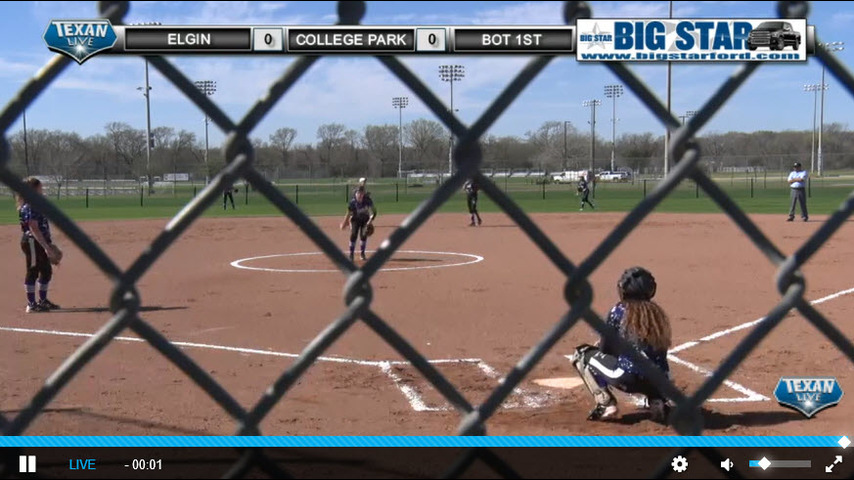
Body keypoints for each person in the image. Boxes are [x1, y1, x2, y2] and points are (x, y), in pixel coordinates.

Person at [570, 267, 672, 422]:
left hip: (628, 378)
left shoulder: (619, 310)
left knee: (582, 354)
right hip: (660, 381)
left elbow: (606, 348)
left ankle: (606, 404)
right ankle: (657, 400)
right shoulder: (657, 313)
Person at [16, 177, 61, 313]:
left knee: (46, 271)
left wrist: (48, 243)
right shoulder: (31, 205)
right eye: (40, 187)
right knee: (33, 271)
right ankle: (31, 304)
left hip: (40, 242)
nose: (42, 190)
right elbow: (33, 227)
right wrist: (46, 247)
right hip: (32, 242)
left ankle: (42, 301)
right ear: (34, 189)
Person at [341, 186, 376, 262]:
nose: (360, 195)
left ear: (364, 194)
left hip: (365, 220)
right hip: (355, 220)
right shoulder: (352, 202)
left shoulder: (367, 201)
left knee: (364, 235)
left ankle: (362, 254)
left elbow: (373, 212)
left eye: (361, 193)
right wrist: (345, 223)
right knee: (353, 234)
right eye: (358, 193)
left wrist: (369, 222)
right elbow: (349, 213)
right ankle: (351, 254)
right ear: (355, 194)